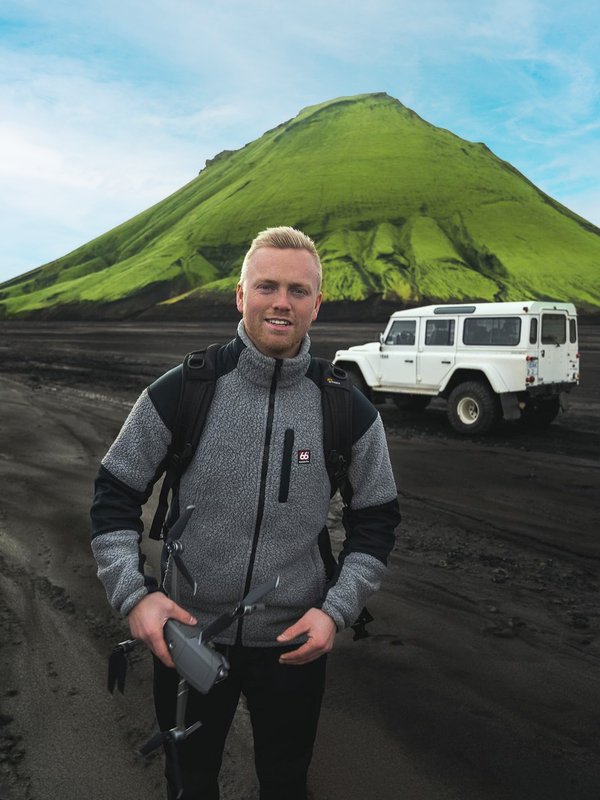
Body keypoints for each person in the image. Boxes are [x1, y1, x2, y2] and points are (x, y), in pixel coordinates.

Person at [90, 226, 400, 800]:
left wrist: (335, 611)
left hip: (295, 642)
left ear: (316, 304)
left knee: (285, 784)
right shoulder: (184, 390)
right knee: (189, 784)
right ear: (241, 296)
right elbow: (115, 490)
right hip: (187, 635)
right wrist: (134, 595)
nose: (282, 302)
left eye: (298, 291)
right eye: (267, 286)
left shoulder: (347, 407)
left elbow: (377, 519)